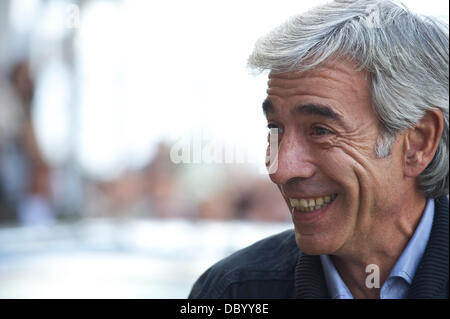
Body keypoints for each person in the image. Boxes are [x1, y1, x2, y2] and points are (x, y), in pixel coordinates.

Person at [188, 0, 448, 299]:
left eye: (321, 131)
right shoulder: (232, 291)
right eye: (275, 128)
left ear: (418, 142)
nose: (280, 169)